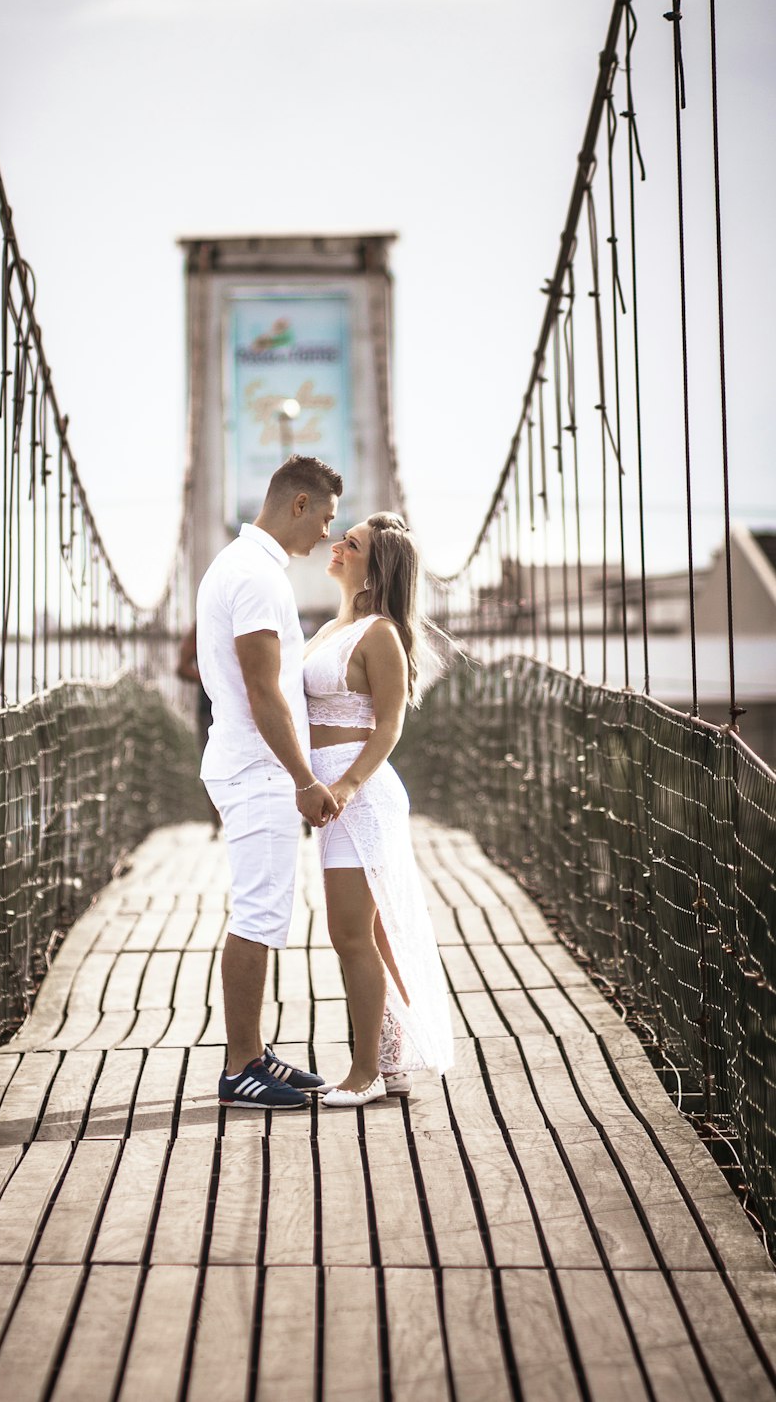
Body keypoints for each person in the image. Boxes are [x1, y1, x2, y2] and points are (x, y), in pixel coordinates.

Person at [196, 455, 345, 1111]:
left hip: (250, 761)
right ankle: (238, 1070)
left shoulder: (243, 566)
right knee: (257, 914)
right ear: (299, 505)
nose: (327, 537)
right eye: (327, 519)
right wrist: (304, 778)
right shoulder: (255, 577)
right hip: (260, 767)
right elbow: (263, 691)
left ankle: (253, 1053)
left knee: (263, 910)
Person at [303, 511, 454, 1106]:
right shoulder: (329, 629)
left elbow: (388, 725)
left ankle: (363, 1072)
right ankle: (392, 1061)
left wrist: (345, 787)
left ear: (374, 567)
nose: (336, 545)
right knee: (372, 934)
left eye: (352, 543)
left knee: (350, 934)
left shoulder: (380, 634)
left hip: (357, 797)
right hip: (329, 796)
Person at [176, 622, 221, 835]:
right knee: (211, 763)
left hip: (248, 705)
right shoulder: (202, 624)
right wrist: (213, 681)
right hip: (209, 708)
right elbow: (182, 668)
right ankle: (217, 824)